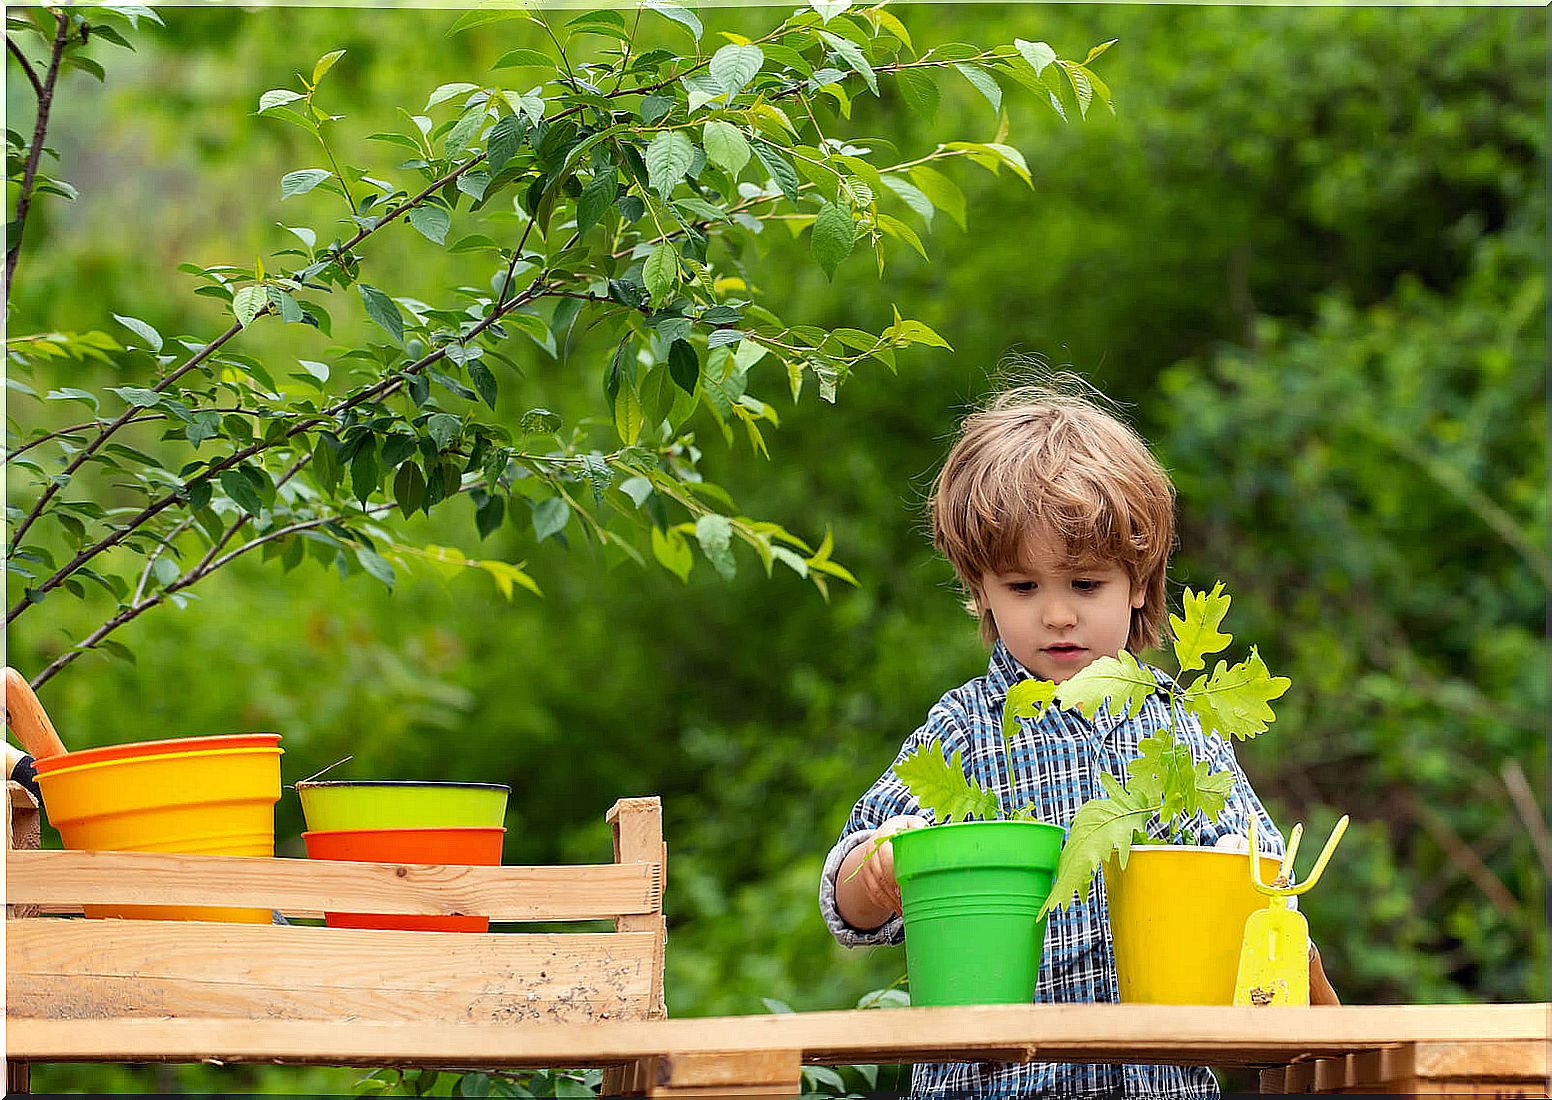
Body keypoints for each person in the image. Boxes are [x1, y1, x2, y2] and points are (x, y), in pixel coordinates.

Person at [819, 377, 1338, 1099]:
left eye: (1085, 585)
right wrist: (875, 873)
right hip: (992, 1085)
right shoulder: (966, 729)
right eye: (1024, 589)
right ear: (981, 590)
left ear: (1137, 584)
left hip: (1158, 1084)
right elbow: (847, 902)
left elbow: (1260, 875)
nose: (1057, 615)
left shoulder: (1176, 728)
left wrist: (1238, 882)